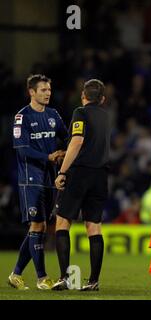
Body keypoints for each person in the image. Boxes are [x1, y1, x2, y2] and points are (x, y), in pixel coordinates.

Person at [8, 74, 67, 290]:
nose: (48, 93)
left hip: (50, 177)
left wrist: (65, 151)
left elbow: (67, 136)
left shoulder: (53, 115)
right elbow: (22, 150)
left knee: (40, 227)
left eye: (49, 90)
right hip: (30, 178)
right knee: (37, 225)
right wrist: (49, 157)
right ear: (31, 92)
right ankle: (42, 277)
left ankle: (15, 274)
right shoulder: (21, 117)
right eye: (43, 90)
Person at [52, 79, 111, 291]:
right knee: (93, 226)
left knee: (62, 222)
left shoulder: (80, 112)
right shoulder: (106, 115)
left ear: (83, 96)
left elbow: (77, 142)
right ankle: (93, 281)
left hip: (79, 174)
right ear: (102, 99)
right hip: (101, 175)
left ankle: (65, 277)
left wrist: (62, 171)